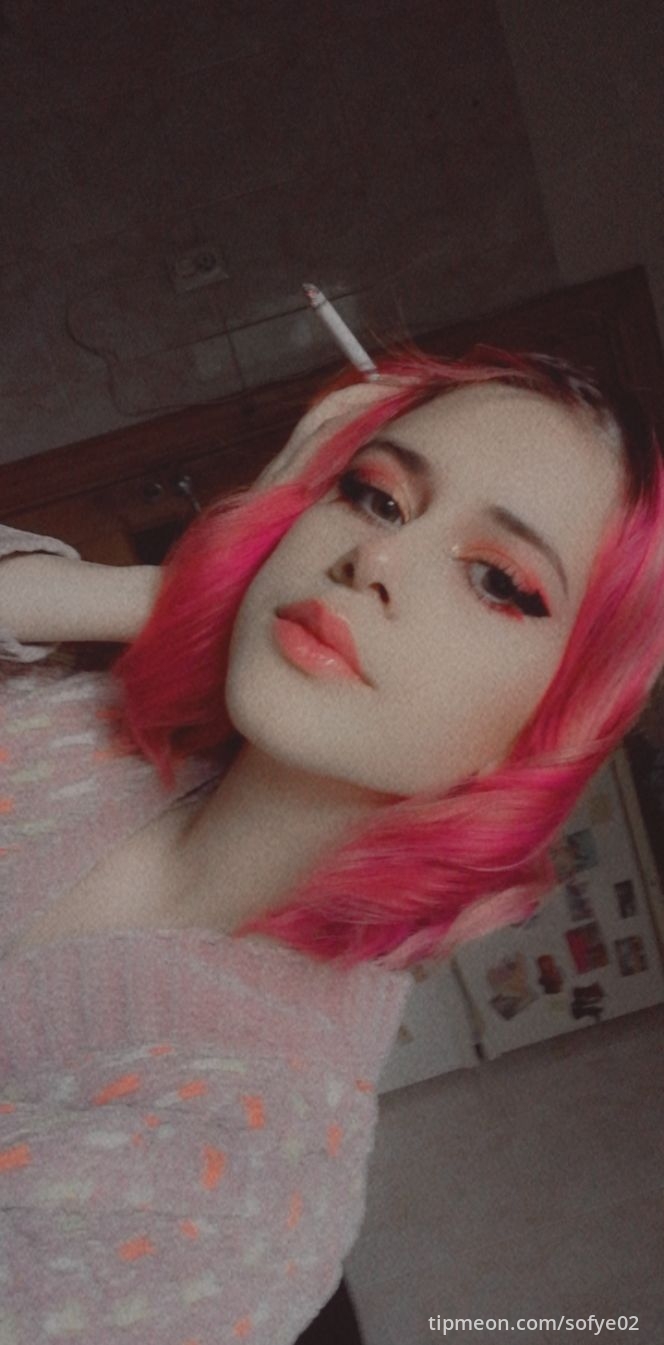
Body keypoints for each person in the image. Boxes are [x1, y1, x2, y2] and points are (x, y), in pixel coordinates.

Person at [1, 341, 663, 1344]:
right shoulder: (66, 723)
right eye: (375, 497)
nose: (375, 560)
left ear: (544, 730)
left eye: (497, 580)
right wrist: (184, 591)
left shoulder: (240, 1195)